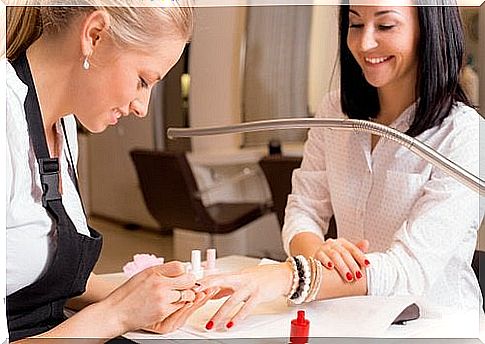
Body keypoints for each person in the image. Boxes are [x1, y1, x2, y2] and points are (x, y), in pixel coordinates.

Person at [196, 1, 485, 331]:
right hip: (350, 318)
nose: (364, 44)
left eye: (385, 26)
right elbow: (303, 209)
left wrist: (290, 276)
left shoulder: (465, 136)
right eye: (356, 24)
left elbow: (409, 270)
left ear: (429, 30)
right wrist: (320, 255)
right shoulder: (334, 111)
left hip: (437, 327)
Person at [6, 1, 218, 341]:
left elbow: (33, 272)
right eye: (143, 80)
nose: (142, 107)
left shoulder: (62, 125)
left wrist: (138, 300)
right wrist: (118, 313)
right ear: (95, 35)